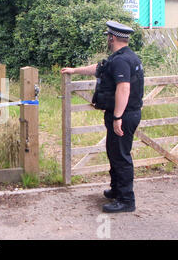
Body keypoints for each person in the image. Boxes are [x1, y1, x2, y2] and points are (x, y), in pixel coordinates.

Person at [61, 20, 144, 213]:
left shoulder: (122, 60)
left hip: (123, 115)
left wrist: (117, 117)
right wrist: (74, 70)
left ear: (112, 37)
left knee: (121, 157)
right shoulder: (124, 57)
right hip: (125, 113)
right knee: (114, 153)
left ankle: (126, 200)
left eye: (108, 36)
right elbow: (99, 67)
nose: (107, 39)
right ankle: (117, 190)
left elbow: (124, 88)